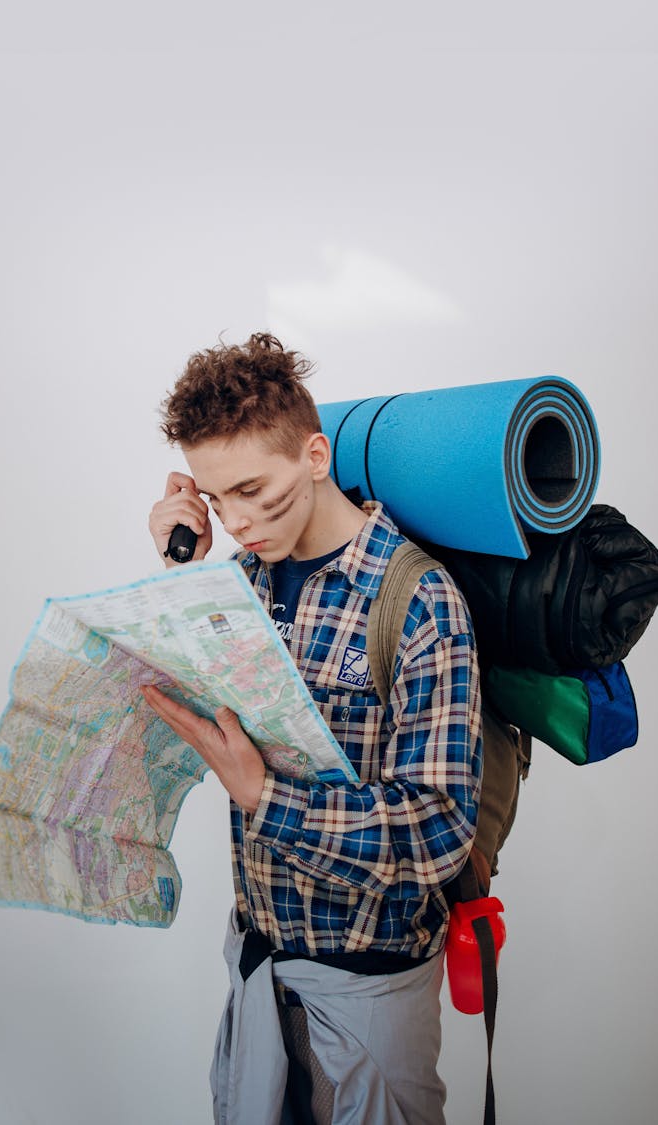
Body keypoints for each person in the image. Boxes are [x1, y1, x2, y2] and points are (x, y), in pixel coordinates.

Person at [143, 332, 482, 1125]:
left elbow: (437, 832)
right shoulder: (238, 584)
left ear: (316, 455)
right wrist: (181, 578)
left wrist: (266, 795)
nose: (236, 520)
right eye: (217, 497)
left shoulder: (421, 600)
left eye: (254, 488)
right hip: (259, 972)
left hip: (369, 1000)